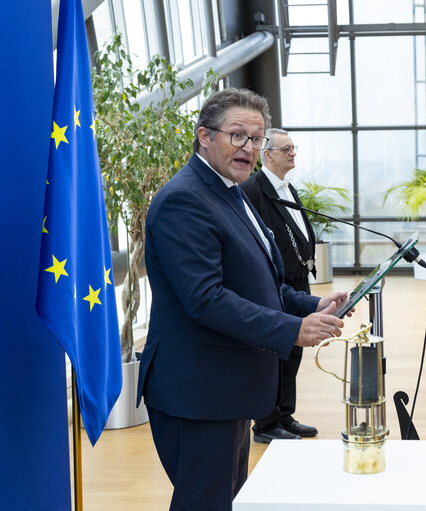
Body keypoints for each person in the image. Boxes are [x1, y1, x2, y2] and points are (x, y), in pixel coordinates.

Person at [136, 89, 349, 510]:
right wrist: (293, 330)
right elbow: (206, 299)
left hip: (227, 386)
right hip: (197, 392)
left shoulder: (229, 190)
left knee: (227, 498)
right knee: (205, 502)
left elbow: (258, 283)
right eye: (237, 136)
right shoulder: (185, 199)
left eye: (256, 138)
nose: (249, 148)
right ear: (204, 136)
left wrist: (312, 306)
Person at [240, 128, 318, 443]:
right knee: (273, 352)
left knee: (294, 351)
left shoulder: (288, 188)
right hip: (274, 283)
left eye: (293, 148)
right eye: (286, 149)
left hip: (297, 280)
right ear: (267, 155)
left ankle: (285, 414)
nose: (293, 153)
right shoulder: (252, 190)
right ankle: (266, 422)